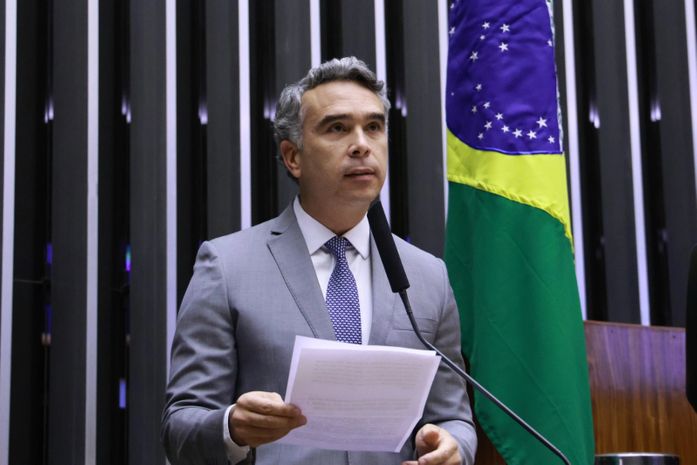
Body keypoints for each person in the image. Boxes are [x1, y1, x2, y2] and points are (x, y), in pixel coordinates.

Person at [161, 57, 477, 465]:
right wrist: (231, 427)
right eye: (337, 128)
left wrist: (453, 447)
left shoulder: (427, 275)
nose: (361, 144)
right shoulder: (226, 266)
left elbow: (454, 417)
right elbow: (180, 427)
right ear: (293, 157)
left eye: (374, 127)